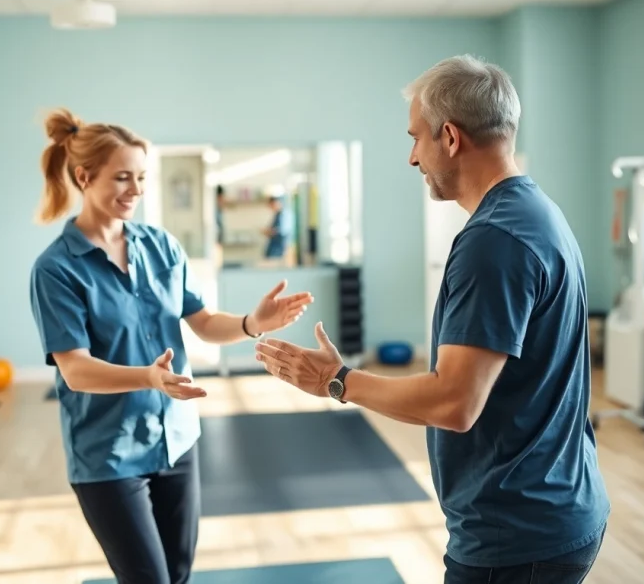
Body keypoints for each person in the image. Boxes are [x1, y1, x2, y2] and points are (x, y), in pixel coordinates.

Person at [253, 55, 610, 584]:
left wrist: (336, 379)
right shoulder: (537, 212)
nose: (412, 157)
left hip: (517, 536)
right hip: (554, 508)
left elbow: (453, 402)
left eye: (416, 138)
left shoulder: (494, 241)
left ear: (450, 137)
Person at [28, 108, 314, 584]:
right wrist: (148, 377)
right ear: (84, 177)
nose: (136, 190)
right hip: (109, 456)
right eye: (122, 177)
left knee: (177, 574)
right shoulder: (56, 269)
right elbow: (75, 370)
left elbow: (203, 322)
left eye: (141, 177)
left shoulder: (161, 245)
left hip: (176, 441)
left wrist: (252, 323)